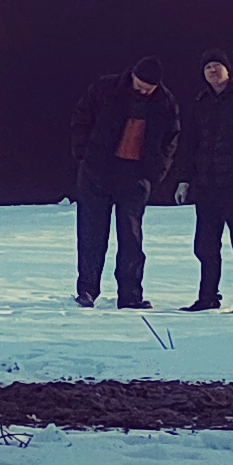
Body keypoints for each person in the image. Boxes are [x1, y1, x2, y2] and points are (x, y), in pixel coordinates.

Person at [64, 57, 180, 307]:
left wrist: (154, 174)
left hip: (135, 176)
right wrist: (83, 154)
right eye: (140, 86)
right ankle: (87, 291)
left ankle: (130, 296)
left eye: (149, 89)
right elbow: (81, 119)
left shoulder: (165, 103)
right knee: (91, 234)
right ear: (133, 76)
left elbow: (170, 141)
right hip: (97, 172)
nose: (143, 91)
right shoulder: (105, 88)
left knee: (131, 238)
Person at [181, 54, 233, 312]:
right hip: (206, 186)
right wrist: (184, 179)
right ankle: (207, 297)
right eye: (207, 67)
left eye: (216, 66)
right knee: (205, 246)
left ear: (228, 70)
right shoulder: (201, 103)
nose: (212, 71)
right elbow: (190, 144)